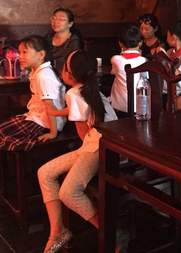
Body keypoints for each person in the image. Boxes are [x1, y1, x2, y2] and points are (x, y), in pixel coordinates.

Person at [37, 50, 118, 253]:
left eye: (64, 67)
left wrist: (56, 112)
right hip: (106, 143)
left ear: (70, 75)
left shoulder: (72, 93)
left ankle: (109, 233)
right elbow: (80, 109)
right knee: (44, 172)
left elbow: (83, 135)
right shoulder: (90, 89)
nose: (61, 70)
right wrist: (57, 112)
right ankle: (58, 231)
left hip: (100, 148)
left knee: (68, 192)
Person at [0, 36, 66, 150]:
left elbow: (50, 106)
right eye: (19, 52)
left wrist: (53, 133)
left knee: (3, 131)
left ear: (41, 55)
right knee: (3, 129)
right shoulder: (38, 71)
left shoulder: (43, 75)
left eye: (25, 52)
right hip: (37, 117)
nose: (20, 56)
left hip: (45, 123)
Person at [110, 25, 147, 118]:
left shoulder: (115, 59)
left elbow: (112, 72)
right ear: (140, 43)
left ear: (120, 44)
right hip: (141, 107)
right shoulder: (144, 61)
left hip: (120, 107)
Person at [46, 8, 82, 74]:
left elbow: (73, 64)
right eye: (54, 18)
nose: (56, 22)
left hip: (67, 76)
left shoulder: (74, 40)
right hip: (49, 75)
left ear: (70, 24)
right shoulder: (48, 37)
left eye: (61, 19)